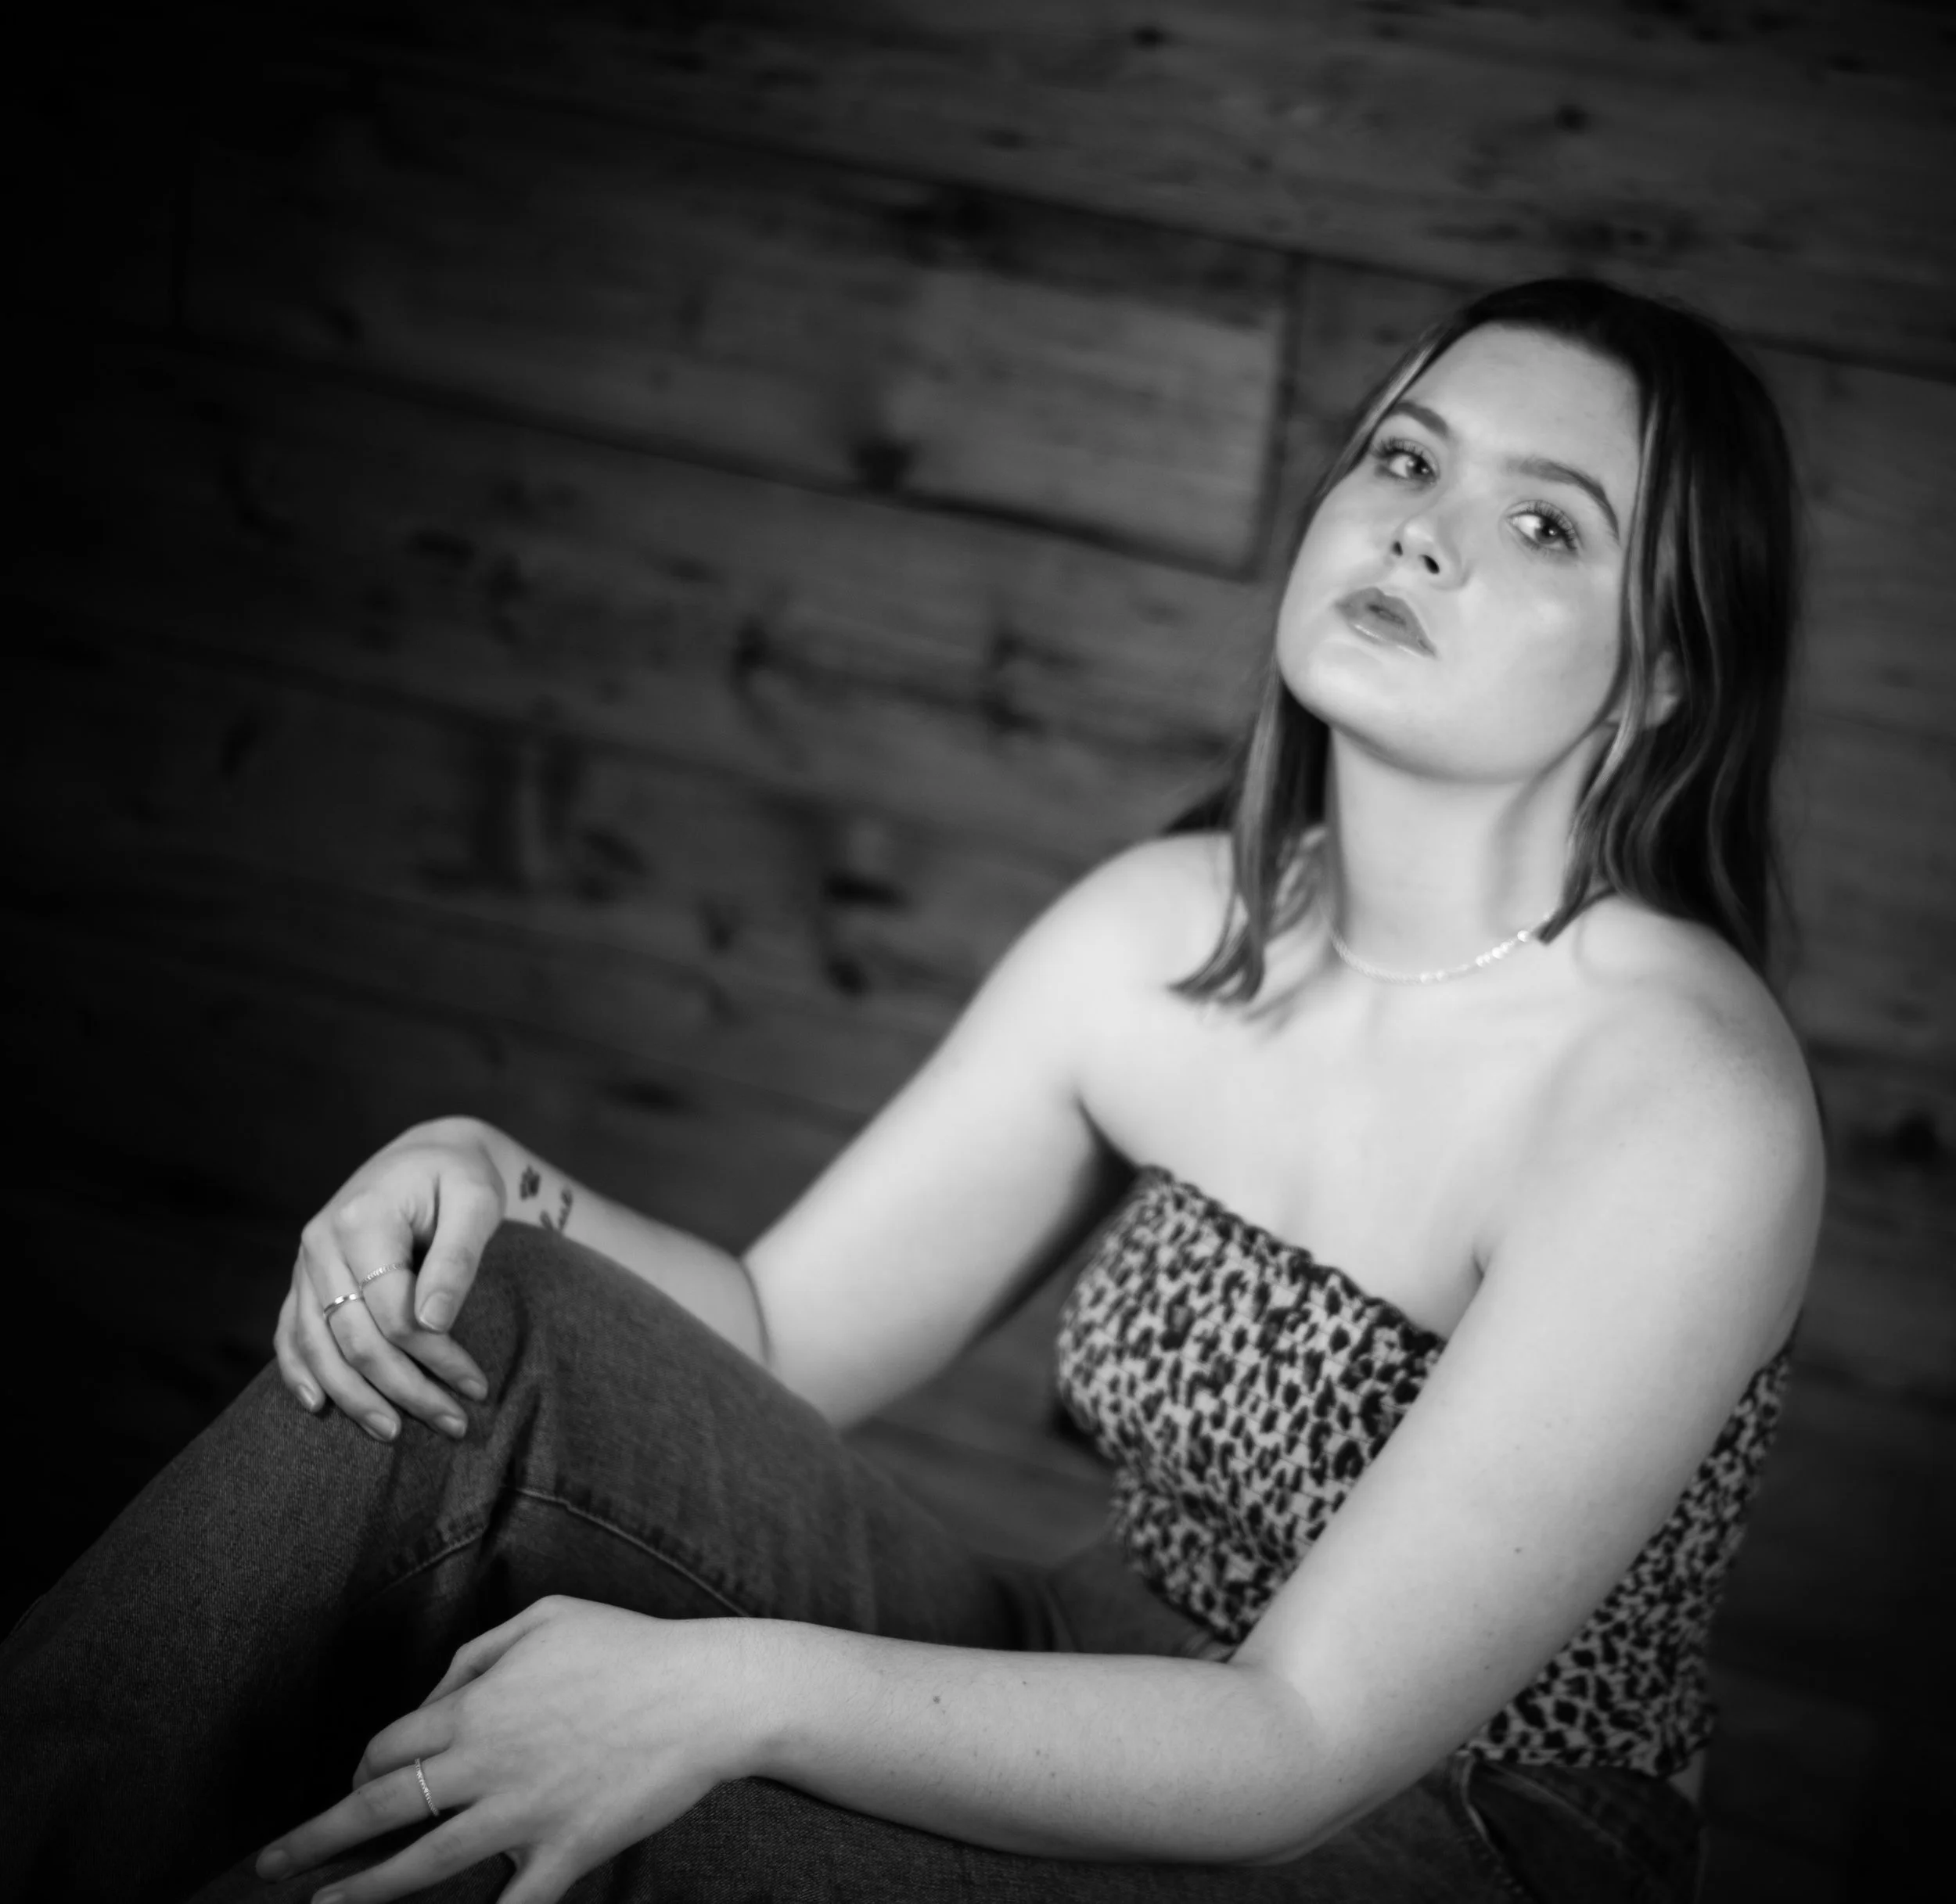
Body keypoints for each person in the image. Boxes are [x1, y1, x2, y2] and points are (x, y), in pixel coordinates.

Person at [0, 278, 1821, 1904]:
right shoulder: (1167, 932)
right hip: (1101, 1651)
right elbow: (775, 1332)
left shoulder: (1676, 1103)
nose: (1424, 536)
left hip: (1450, 1816)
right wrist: (493, 1176)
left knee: (659, 1826)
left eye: (1540, 522)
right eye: (1405, 460)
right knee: (466, 1320)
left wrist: (726, 1693)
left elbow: (1302, 1737)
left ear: (1660, 677)